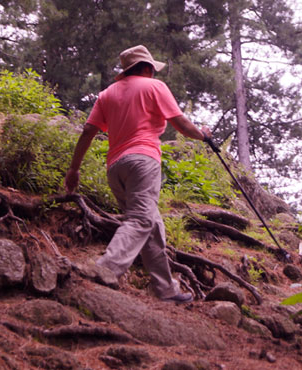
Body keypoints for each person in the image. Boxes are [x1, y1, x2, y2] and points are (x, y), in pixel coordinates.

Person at [64, 45, 211, 303]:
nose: (153, 73)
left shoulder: (107, 94)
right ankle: (104, 269)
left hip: (115, 168)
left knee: (151, 226)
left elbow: (88, 131)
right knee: (141, 221)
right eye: (152, 69)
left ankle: (166, 290)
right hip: (143, 161)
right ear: (145, 68)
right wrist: (203, 136)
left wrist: (74, 169)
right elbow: (181, 124)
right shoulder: (154, 87)